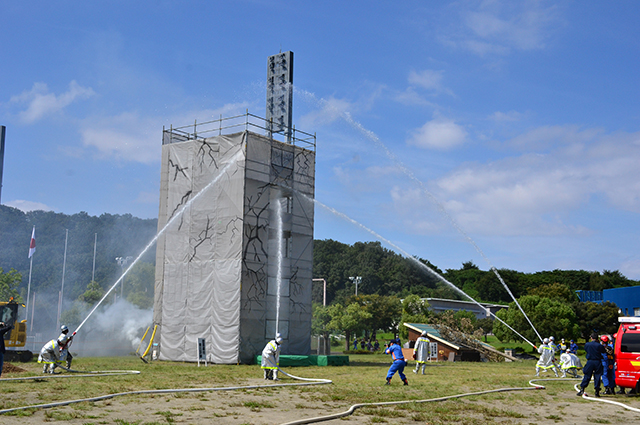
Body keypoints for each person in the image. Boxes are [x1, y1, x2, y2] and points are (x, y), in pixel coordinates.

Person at [577, 333, 606, 397]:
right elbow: (604, 351)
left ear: (591, 338)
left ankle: (582, 389)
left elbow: (586, 350)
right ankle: (597, 391)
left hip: (590, 361)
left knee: (587, 375)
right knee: (597, 376)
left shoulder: (587, 344)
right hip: (597, 361)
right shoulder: (599, 345)